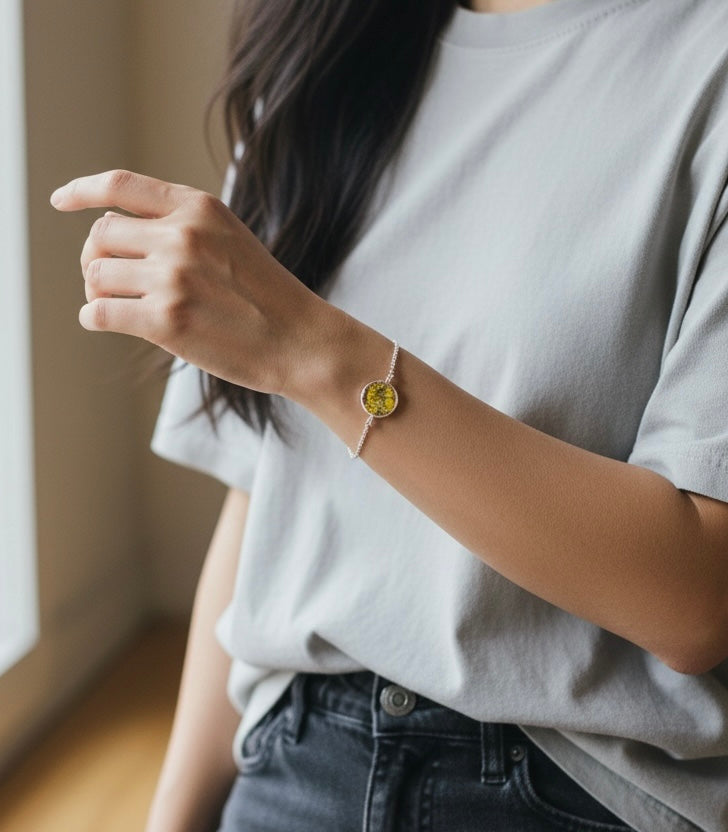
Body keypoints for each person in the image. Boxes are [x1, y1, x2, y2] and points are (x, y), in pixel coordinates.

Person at [51, 0, 728, 829]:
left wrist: (318, 354)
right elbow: (266, 501)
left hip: (577, 789)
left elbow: (694, 605)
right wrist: (175, 815)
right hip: (294, 754)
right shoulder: (320, 51)